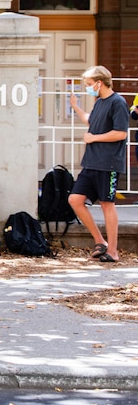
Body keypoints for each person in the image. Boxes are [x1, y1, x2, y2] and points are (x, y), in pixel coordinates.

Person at [68, 65, 129, 263]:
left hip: (108, 163)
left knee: (107, 204)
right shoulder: (100, 102)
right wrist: (76, 107)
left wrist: (93, 139)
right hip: (92, 163)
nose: (88, 88)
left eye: (88, 84)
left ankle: (113, 251)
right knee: (75, 199)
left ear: (99, 83)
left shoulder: (118, 102)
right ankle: (100, 241)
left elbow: (121, 133)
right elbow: (92, 121)